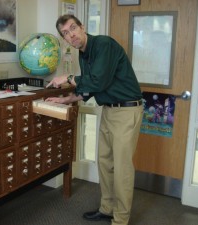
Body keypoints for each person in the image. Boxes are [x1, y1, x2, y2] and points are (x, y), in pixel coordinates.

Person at [46, 14, 143, 225]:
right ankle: (107, 209)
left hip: (127, 111)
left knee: (122, 168)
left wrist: (68, 77)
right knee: (105, 163)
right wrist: (68, 99)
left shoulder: (103, 44)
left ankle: (121, 219)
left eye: (73, 28)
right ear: (64, 39)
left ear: (82, 27)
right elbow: (90, 87)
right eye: (65, 33)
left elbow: (98, 80)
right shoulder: (84, 53)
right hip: (109, 109)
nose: (71, 35)